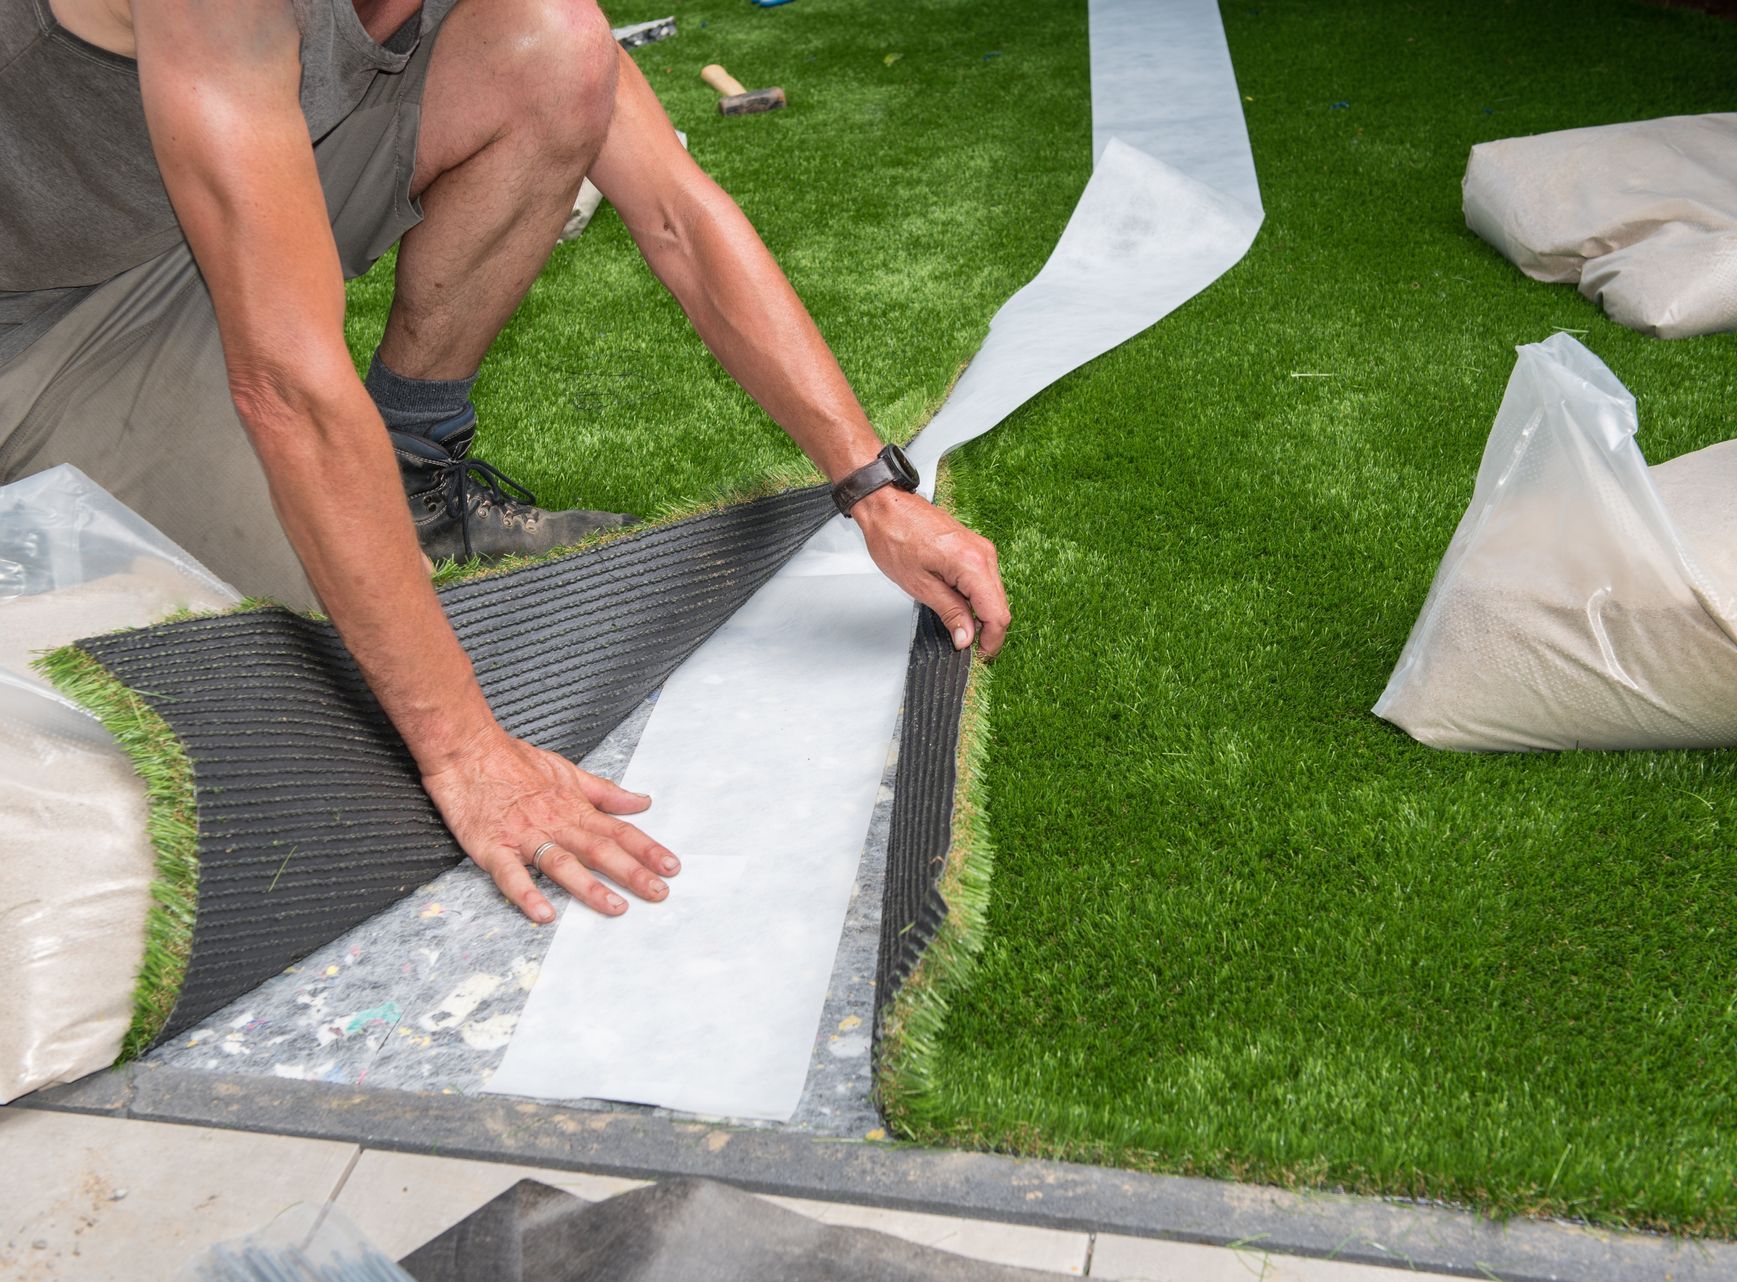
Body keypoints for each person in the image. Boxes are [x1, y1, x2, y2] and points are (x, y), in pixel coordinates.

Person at [0, 0, 1011, 923]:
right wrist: (468, 752)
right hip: (47, 310)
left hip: (231, 210)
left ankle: (410, 475)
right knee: (288, 675)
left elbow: (675, 214)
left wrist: (872, 488)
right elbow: (291, 396)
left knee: (561, 50)